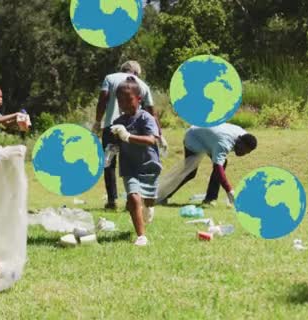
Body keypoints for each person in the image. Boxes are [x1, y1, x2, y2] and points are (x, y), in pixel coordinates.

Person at [93, 60, 165, 210]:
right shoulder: (142, 85)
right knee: (133, 162)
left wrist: (97, 121)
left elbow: (103, 100)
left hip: (111, 126)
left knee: (109, 162)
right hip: (136, 127)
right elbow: (151, 111)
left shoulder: (110, 78)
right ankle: (131, 201)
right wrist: (160, 133)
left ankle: (112, 200)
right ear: (136, 73)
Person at [110, 77, 162, 246]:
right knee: (133, 198)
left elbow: (151, 140)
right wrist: (112, 149)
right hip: (129, 167)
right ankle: (141, 236)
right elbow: (115, 143)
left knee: (149, 200)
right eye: (120, 101)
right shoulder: (118, 123)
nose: (124, 104)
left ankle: (148, 206)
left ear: (139, 99)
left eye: (128, 99)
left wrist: (128, 136)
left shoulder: (146, 118)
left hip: (149, 166)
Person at [159, 124, 258, 206]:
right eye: (243, 150)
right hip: (194, 137)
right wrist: (229, 191)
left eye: (247, 153)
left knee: (222, 164)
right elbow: (217, 167)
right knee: (190, 172)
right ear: (239, 142)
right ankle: (163, 195)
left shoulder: (244, 135)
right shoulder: (224, 143)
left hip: (208, 136)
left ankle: (210, 199)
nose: (243, 154)